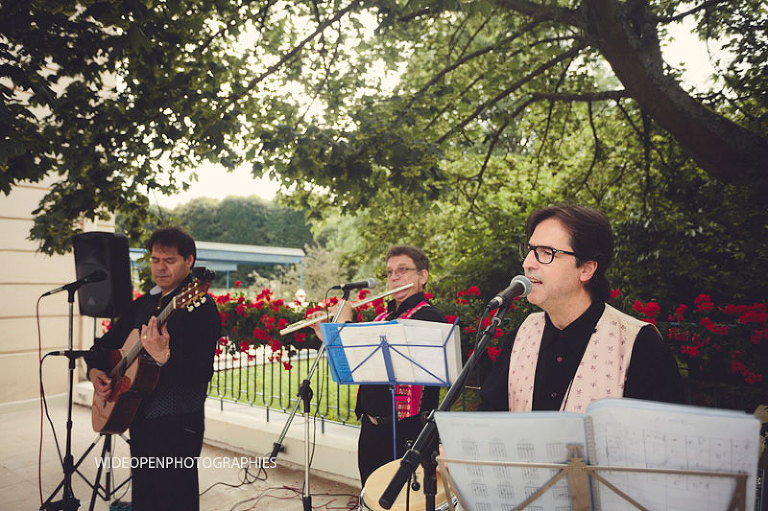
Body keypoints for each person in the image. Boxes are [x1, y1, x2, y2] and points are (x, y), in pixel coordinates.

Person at [479, 204, 683, 412]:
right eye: (530, 250)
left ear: (586, 269)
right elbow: (488, 418)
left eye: (546, 253)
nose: (528, 263)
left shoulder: (640, 346)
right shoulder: (521, 335)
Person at [86, 226, 221, 511]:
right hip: (140, 414)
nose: (160, 267)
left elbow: (201, 372)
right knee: (145, 497)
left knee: (175, 498)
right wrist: (95, 371)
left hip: (178, 421)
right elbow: (104, 344)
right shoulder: (145, 303)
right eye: (155, 259)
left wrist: (164, 358)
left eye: (169, 260)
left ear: (189, 261)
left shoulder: (201, 307)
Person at [313, 245, 446, 486]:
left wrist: (346, 325)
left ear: (422, 276)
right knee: (370, 494)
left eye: (403, 270)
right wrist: (332, 336)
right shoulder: (381, 319)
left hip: (408, 433)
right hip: (371, 430)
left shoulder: (430, 317)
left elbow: (393, 364)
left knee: (400, 501)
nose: (394, 277)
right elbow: (358, 365)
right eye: (390, 272)